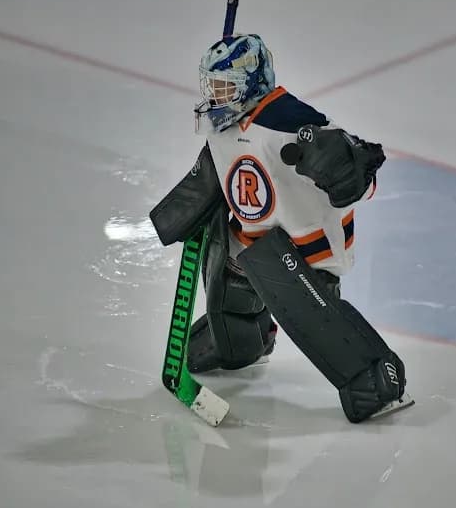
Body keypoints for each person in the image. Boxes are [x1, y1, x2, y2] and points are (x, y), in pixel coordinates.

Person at [152, 33, 412, 423]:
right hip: (252, 245)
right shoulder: (222, 127)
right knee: (225, 274)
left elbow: (361, 169)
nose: (216, 96)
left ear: (252, 84)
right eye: (213, 86)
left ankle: (377, 378)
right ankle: (241, 346)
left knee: (301, 306)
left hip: (305, 251)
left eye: (225, 87)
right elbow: (213, 176)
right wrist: (173, 219)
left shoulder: (290, 120)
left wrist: (347, 169)